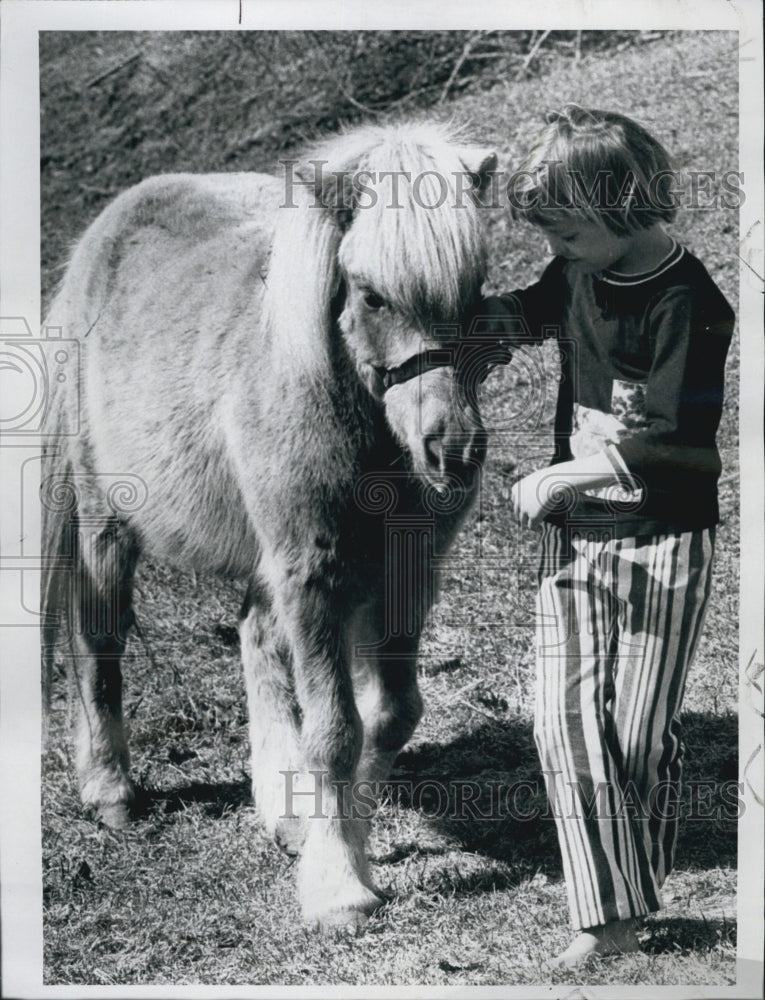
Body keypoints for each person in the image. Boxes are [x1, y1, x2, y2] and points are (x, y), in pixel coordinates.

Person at [481, 105, 734, 968]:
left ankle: (627, 895)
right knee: (560, 721)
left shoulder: (690, 302)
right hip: (577, 540)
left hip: (666, 539)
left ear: (621, 203)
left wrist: (568, 471)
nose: (553, 250)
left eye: (565, 229)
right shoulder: (577, 271)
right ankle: (606, 919)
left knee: (633, 734)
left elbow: (676, 436)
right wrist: (454, 330)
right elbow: (526, 311)